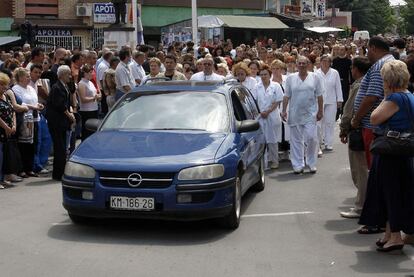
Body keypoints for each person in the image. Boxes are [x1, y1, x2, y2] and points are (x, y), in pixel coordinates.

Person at [358, 60, 414, 252]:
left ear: (389, 80)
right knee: (392, 192)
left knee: (390, 193)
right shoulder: (409, 95)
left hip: (391, 151)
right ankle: (389, 234)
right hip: (401, 151)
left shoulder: (395, 98)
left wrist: (386, 95)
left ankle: (395, 236)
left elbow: (374, 118)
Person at [351, 37, 395, 173]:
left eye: (368, 49)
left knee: (373, 167)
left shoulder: (379, 66)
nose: (367, 52)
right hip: (380, 124)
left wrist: (356, 119)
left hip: (373, 126)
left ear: (374, 48)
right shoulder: (390, 61)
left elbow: (371, 98)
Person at [339, 57, 372, 218]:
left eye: (352, 68)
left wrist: (343, 129)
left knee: (359, 171)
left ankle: (361, 206)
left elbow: (349, 110)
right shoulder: (367, 83)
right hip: (364, 130)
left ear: (356, 69)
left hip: (357, 130)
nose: (351, 71)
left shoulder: (359, 85)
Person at [282, 56, 324, 174]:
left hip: (310, 113)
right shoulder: (290, 78)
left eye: (303, 63)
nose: (301, 65)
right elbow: (286, 95)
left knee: (312, 138)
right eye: (299, 63)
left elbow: (319, 96)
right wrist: (284, 110)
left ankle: (311, 163)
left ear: (308, 64)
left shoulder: (315, 77)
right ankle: (298, 164)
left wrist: (320, 111)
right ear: (296, 65)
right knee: (296, 140)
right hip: (295, 113)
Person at [12, 68, 44, 178]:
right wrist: (33, 107)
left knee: (33, 144)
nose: (29, 78)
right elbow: (21, 103)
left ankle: (30, 168)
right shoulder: (16, 89)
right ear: (20, 78)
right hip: (24, 119)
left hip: (34, 118)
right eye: (26, 76)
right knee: (23, 145)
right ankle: (22, 169)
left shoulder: (30, 88)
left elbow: (34, 100)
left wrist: (38, 105)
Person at [46, 65, 75, 181]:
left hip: (62, 122)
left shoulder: (65, 86)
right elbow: (60, 105)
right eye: (68, 74)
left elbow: (67, 103)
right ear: (62, 75)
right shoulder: (57, 87)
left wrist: (71, 112)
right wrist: (69, 115)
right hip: (56, 122)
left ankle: (60, 172)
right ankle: (58, 174)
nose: (70, 76)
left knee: (62, 147)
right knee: (60, 148)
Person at [254, 65, 284, 169]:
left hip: (272, 115)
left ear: (269, 74)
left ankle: (274, 161)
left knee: (273, 139)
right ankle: (263, 163)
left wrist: (268, 111)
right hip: (260, 116)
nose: (263, 76)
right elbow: (254, 101)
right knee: (262, 140)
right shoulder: (256, 86)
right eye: (261, 74)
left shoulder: (276, 85)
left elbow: (278, 100)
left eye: (265, 74)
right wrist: (261, 112)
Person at [316, 54, 343, 151]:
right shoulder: (316, 73)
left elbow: (338, 86)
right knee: (319, 123)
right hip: (319, 101)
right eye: (323, 61)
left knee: (329, 122)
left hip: (331, 100)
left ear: (330, 62)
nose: (325, 63)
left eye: (327, 61)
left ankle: (328, 143)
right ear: (320, 62)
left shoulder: (334, 72)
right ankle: (318, 142)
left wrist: (339, 99)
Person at [0, 73, 16, 188]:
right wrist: (6, 127)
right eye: (1, 85)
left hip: (8, 131)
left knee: (5, 155)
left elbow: (13, 111)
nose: (4, 87)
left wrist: (13, 125)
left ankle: (3, 178)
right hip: (2, 130)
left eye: (4, 84)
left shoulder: (6, 95)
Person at [77, 64, 100, 141]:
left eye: (92, 72)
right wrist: (94, 98)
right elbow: (83, 99)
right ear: (85, 73)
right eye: (90, 72)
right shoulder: (81, 83)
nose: (91, 74)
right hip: (86, 111)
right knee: (87, 131)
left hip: (94, 108)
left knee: (93, 130)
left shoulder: (90, 82)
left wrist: (98, 96)